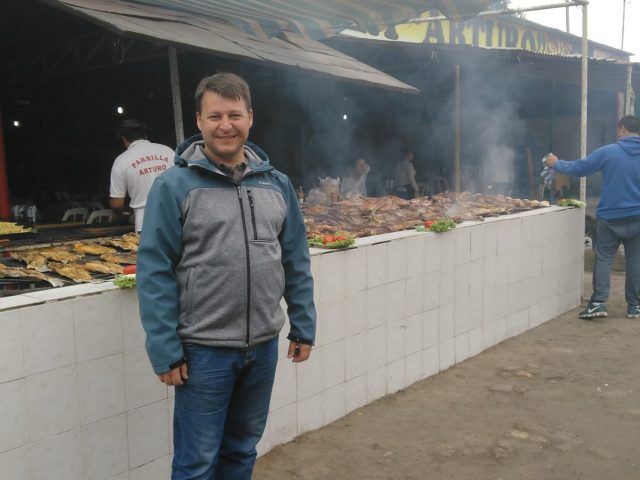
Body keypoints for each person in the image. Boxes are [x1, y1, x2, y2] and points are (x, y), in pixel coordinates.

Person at [136, 72, 316, 479]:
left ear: (250, 118)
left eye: (234, 114)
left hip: (264, 347)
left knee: (241, 451)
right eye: (214, 115)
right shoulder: (174, 186)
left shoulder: (277, 184)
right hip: (203, 351)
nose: (225, 125)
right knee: (196, 463)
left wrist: (303, 325)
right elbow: (154, 270)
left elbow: (295, 260)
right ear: (198, 122)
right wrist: (165, 347)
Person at [544, 115, 640, 320]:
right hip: (638, 217)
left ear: (622, 129)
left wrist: (556, 163)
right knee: (635, 261)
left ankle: (598, 303)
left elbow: (580, 168)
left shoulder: (609, 152)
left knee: (604, 259)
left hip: (610, 217)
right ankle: (635, 306)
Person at [109, 119, 174, 232]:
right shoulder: (168, 151)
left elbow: (117, 204)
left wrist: (121, 212)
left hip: (145, 225)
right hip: (175, 219)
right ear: (145, 135)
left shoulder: (121, 161)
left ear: (124, 139)